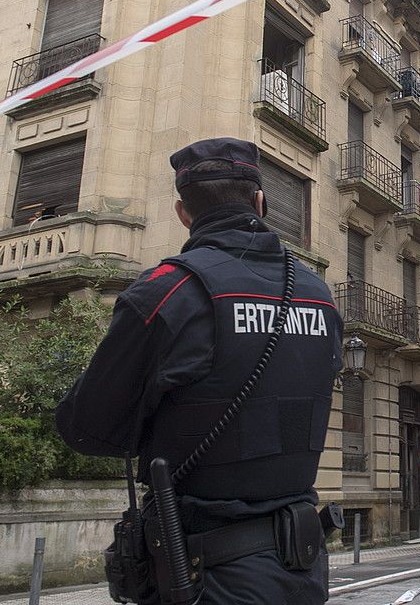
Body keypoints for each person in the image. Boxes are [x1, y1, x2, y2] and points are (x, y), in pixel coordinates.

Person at [57, 138, 342, 604]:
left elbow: (87, 429)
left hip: (206, 577)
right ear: (261, 202)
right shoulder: (318, 296)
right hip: (303, 572)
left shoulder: (165, 292)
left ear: (182, 212)